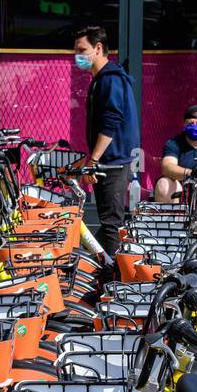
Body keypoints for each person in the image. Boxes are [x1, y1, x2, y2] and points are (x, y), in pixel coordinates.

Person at [73, 25, 139, 259]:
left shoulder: (110, 80)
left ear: (98, 48)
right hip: (109, 161)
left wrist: (93, 160)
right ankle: (105, 268)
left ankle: (114, 283)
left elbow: (111, 123)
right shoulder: (104, 79)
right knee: (108, 221)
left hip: (112, 163)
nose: (77, 56)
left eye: (82, 50)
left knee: (111, 223)